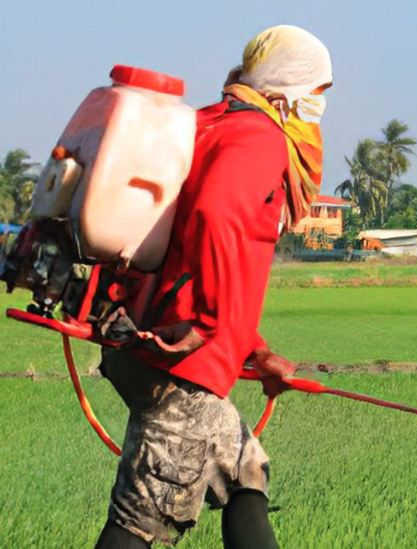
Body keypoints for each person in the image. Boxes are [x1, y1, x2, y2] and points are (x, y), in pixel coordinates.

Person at [94, 25, 332, 549]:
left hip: (140, 340)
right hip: (181, 363)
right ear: (287, 92)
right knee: (141, 520)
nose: (320, 106)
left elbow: (188, 250)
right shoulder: (261, 136)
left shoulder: (207, 124)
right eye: (318, 91)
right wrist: (213, 325)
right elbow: (215, 214)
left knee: (245, 470)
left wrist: (254, 350)